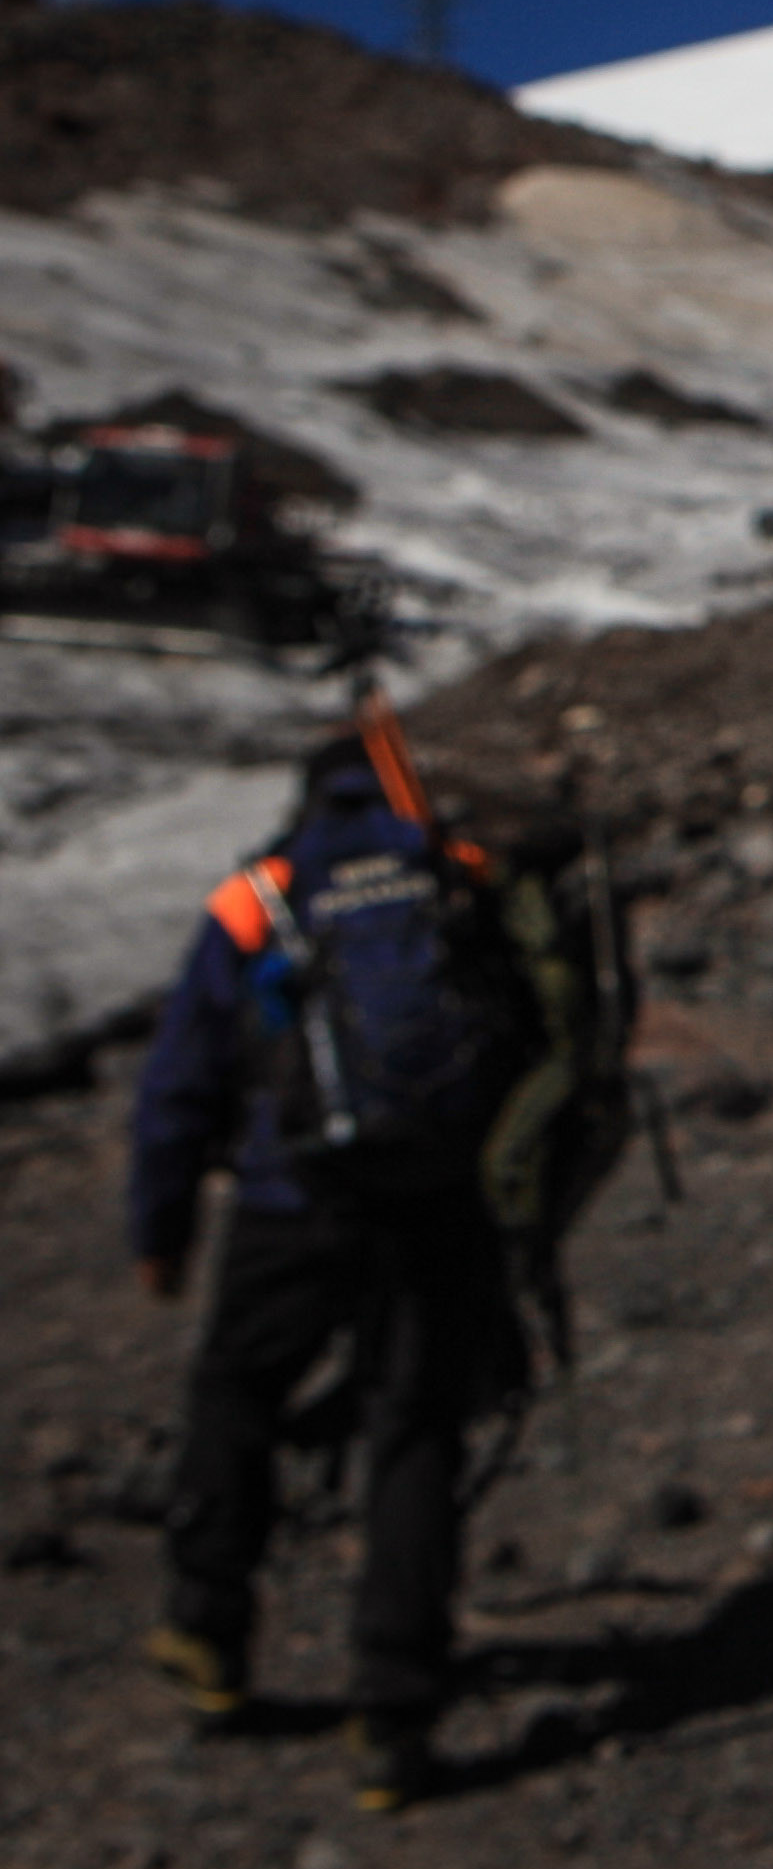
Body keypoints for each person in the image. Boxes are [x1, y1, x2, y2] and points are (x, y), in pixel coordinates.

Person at [129, 723, 541, 1812]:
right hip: (436, 1205)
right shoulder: (454, 878)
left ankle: (210, 1629)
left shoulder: (261, 897)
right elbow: (530, 1031)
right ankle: (394, 1713)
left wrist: (158, 1228)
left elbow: (180, 1074)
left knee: (236, 1392)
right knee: (415, 1432)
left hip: (291, 1200)